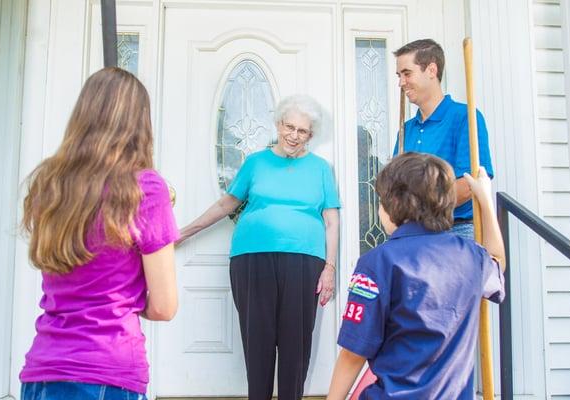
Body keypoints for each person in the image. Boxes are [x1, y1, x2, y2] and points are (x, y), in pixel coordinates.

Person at [19, 67, 180, 400]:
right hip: (106, 372)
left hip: (41, 371)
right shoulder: (145, 189)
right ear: (139, 123)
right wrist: (126, 303)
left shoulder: (51, 182)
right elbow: (164, 306)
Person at [177, 94, 340, 399]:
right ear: (278, 124)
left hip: (305, 261)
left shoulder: (320, 169)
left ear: (311, 135)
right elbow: (227, 203)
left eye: (302, 131)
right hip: (252, 259)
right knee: (258, 342)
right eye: (289, 127)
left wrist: (329, 268)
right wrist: (184, 232)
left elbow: (332, 221)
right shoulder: (255, 163)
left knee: (296, 343)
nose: (293, 135)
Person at [327, 152, 506, 400]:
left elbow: (353, 354)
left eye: (380, 201)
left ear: (395, 203)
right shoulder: (472, 257)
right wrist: (485, 199)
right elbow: (497, 260)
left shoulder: (378, 262)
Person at [393, 38, 494, 239]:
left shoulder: (465, 117)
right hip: (413, 234)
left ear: (431, 70)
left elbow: (469, 184)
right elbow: (395, 189)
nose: (401, 83)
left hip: (457, 232)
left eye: (407, 74)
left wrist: (417, 208)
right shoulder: (406, 130)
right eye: (399, 75)